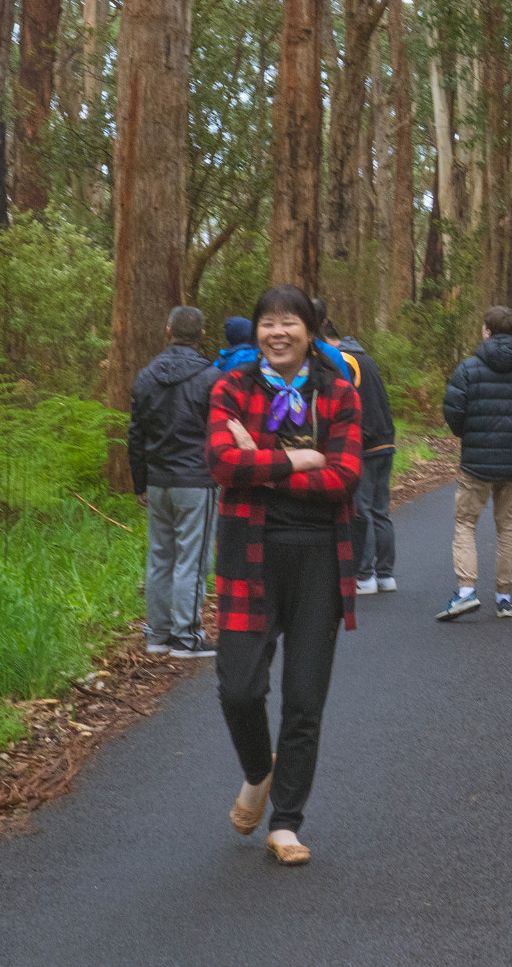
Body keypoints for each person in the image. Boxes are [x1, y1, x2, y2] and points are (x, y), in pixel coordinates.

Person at [204, 286, 362, 865]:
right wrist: (299, 458)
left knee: (304, 698)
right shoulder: (231, 388)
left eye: (288, 323)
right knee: (239, 686)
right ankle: (256, 771)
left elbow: (345, 476)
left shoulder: (339, 392)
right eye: (267, 323)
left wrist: (263, 466)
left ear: (310, 330)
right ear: (256, 333)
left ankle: (287, 822)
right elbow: (223, 463)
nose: (277, 333)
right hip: (249, 550)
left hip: (320, 554)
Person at [439, 305, 512, 621]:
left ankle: (465, 592)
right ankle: (504, 597)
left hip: (476, 461)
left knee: (465, 522)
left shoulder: (468, 368)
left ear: (487, 330)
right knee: (507, 526)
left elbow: (454, 410)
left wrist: (469, 434)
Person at [127, 305, 221, 659]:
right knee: (192, 559)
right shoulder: (211, 377)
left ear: (168, 332)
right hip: (196, 480)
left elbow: (135, 434)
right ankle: (186, 636)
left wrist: (140, 483)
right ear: (202, 335)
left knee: (161, 556)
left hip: (158, 481)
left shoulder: (145, 376)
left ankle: (158, 634)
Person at [324, 320, 398, 596]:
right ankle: (386, 575)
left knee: (361, 511)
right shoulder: (365, 358)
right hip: (385, 441)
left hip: (365, 444)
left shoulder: (344, 359)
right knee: (381, 510)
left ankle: (365, 575)